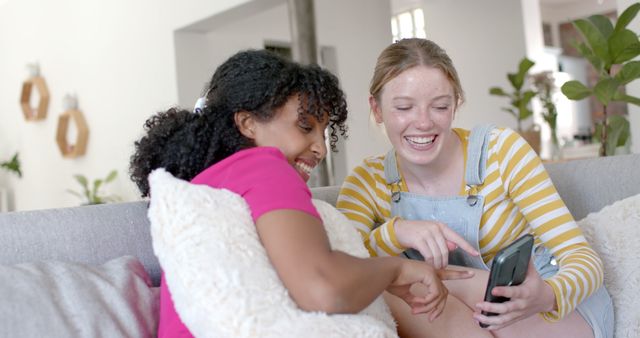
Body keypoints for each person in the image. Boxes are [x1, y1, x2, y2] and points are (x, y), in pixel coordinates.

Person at [129, 49, 473, 338]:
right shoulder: (265, 166)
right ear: (248, 123)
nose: (320, 148)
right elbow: (323, 287)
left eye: (325, 133)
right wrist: (396, 269)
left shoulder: (207, 186)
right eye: (305, 126)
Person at [337, 38, 613, 338]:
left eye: (440, 106)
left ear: (456, 105)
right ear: (376, 109)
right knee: (401, 290)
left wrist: (546, 294)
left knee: (427, 283)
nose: (423, 122)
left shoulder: (501, 152)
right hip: (458, 319)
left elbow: (584, 260)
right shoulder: (365, 182)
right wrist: (397, 231)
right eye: (404, 107)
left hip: (547, 312)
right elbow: (338, 271)